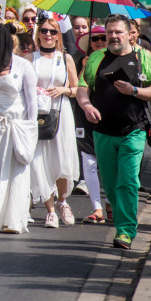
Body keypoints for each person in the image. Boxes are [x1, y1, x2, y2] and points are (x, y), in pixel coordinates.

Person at [76, 14, 151, 249]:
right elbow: (82, 88)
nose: (113, 36)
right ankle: (121, 221)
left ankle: (125, 231)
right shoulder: (96, 58)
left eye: (118, 32)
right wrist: (87, 105)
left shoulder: (144, 58)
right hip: (103, 132)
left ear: (130, 33)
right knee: (109, 185)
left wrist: (134, 91)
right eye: (109, 32)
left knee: (128, 182)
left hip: (134, 130)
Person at [0, 19, 38, 234]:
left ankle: (14, 219)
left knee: (16, 171)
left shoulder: (24, 65)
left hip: (17, 125)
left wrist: (31, 128)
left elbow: (31, 99)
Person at [30, 17, 80, 228]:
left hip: (60, 113)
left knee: (61, 159)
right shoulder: (29, 58)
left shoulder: (65, 58)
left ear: (58, 35)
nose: (48, 35)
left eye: (52, 31)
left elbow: (78, 89)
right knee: (40, 161)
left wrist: (64, 90)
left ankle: (62, 201)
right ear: (38, 33)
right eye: (44, 31)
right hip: (37, 114)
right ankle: (50, 209)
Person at [74, 25, 107, 222]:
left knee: (109, 164)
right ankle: (97, 208)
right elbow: (75, 88)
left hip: (109, 117)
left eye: (104, 38)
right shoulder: (81, 61)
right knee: (89, 163)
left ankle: (110, 202)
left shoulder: (114, 60)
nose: (100, 42)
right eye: (95, 39)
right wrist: (85, 68)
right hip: (85, 117)